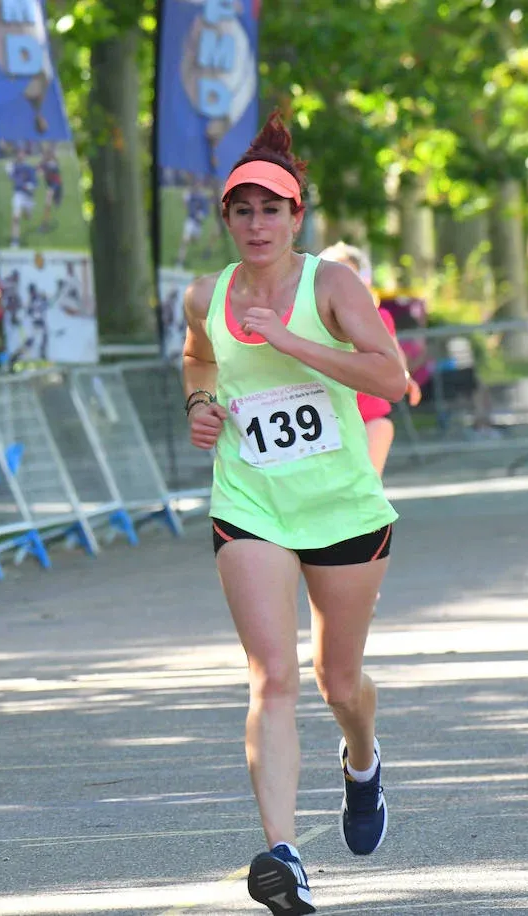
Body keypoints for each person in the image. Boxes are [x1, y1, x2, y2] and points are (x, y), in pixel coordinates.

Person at [181, 113, 405, 915]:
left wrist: (294, 342)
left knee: (336, 679)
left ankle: (364, 757)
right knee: (271, 677)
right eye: (242, 210)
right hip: (251, 504)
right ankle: (283, 859)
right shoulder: (206, 295)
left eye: (272, 209)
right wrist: (202, 404)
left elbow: (391, 377)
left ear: (297, 216)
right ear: (228, 220)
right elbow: (200, 355)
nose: (257, 223)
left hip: (343, 507)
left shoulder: (331, 286)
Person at [318, 242, 422, 476]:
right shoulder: (314, 322)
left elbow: (393, 350)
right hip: (329, 414)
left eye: (350, 277)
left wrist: (404, 376)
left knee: (369, 477)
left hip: (371, 412)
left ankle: (367, 500)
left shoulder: (379, 317)